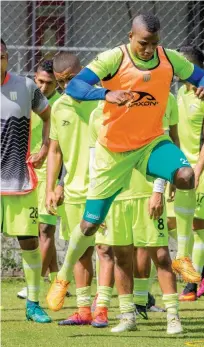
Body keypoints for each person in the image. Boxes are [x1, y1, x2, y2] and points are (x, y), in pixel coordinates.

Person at [46, 13, 204, 333]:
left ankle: (185, 257)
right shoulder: (114, 58)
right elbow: (78, 87)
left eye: (154, 43)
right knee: (91, 223)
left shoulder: (169, 58)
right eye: (143, 43)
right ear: (130, 36)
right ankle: (63, 274)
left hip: (152, 144)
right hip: (113, 152)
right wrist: (105, 94)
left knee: (187, 177)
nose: (149, 50)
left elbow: (201, 76)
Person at [91, 94, 181, 334]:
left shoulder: (146, 110)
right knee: (121, 257)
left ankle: (173, 316)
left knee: (161, 255)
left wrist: (158, 190)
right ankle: (127, 315)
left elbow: (162, 151)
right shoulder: (96, 115)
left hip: (146, 195)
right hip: (116, 196)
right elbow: (97, 161)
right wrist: (97, 204)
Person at [0, 38, 51, 323]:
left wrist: (44, 147)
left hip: (19, 179)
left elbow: (47, 115)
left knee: (29, 241)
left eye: (3, 56)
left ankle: (33, 303)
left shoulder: (26, 86)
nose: (0, 62)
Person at [46, 52, 98, 324]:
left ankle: (106, 308)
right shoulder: (59, 107)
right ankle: (84, 310)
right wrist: (52, 186)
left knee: (107, 250)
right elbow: (55, 151)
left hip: (105, 189)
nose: (67, 86)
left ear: (84, 72)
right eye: (61, 82)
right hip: (73, 189)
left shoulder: (103, 100)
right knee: (81, 251)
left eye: (71, 79)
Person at [169, 46, 204, 301]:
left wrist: (198, 171)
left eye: (186, 66)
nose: (181, 71)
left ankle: (192, 284)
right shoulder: (179, 91)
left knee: (198, 224)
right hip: (181, 169)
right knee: (173, 223)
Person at [17, 60, 62, 300]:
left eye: (49, 83)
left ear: (58, 83)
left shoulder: (61, 106)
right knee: (40, 229)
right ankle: (56, 279)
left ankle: (35, 285)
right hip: (25, 172)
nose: (43, 87)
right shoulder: (25, 99)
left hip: (49, 174)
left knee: (45, 229)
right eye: (40, 81)